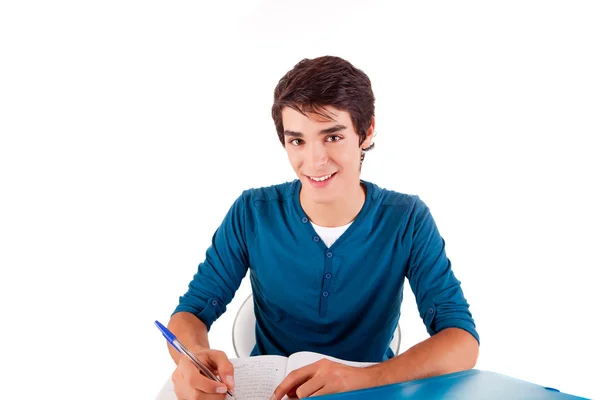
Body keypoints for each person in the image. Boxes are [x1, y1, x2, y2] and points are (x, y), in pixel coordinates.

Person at [165, 55, 480, 400]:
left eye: (332, 137)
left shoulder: (407, 219)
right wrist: (191, 359)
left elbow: (461, 340)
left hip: (369, 391)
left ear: (366, 131)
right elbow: (191, 312)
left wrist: (364, 379)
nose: (314, 161)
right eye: (297, 141)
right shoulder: (252, 212)